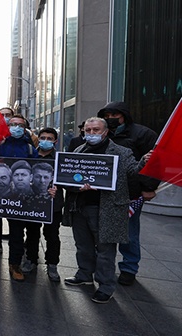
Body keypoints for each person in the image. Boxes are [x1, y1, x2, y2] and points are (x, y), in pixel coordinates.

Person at [63, 117, 148, 303]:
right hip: (80, 206)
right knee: (82, 245)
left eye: (96, 130)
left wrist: (144, 162)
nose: (92, 134)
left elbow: (133, 173)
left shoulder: (122, 152)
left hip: (106, 208)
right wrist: (76, 187)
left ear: (106, 131)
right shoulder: (79, 150)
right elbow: (69, 176)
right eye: (88, 130)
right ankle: (84, 274)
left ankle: (105, 286)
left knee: (105, 250)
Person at [97, 102, 159, 286]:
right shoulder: (101, 133)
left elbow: (154, 162)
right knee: (103, 232)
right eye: (106, 116)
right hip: (104, 191)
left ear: (124, 115)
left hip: (131, 193)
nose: (110, 119)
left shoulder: (143, 134)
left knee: (129, 232)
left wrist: (148, 187)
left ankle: (129, 267)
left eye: (114, 115)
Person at [0, 114, 38, 282]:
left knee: (17, 231)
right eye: (12, 124)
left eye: (19, 124)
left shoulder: (30, 147)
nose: (15, 127)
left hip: (17, 197)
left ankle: (15, 264)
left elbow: (36, 167)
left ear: (25, 128)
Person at [20, 127, 63, 281]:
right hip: (33, 203)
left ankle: (52, 264)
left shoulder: (61, 159)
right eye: (43, 137)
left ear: (55, 142)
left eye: (49, 138)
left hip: (53, 204)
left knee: (52, 235)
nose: (46, 140)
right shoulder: (29, 155)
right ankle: (30, 260)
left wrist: (57, 190)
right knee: (31, 233)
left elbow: (67, 182)